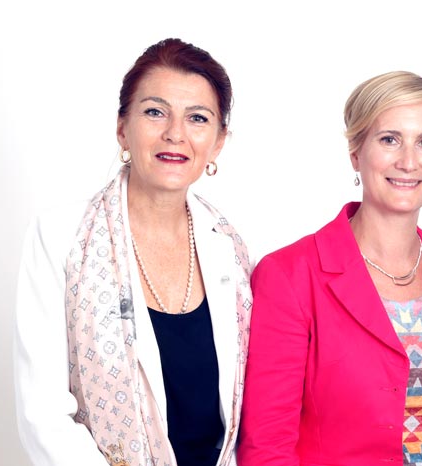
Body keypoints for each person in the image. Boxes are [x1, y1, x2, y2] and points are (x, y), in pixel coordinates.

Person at [13, 38, 252, 466]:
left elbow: (242, 415)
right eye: (155, 112)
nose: (175, 134)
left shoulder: (231, 249)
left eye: (197, 118)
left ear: (217, 143)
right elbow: (43, 415)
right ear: (122, 128)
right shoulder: (60, 238)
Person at [237, 71, 422, 466]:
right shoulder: (289, 276)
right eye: (389, 140)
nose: (408, 161)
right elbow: (266, 447)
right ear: (356, 152)